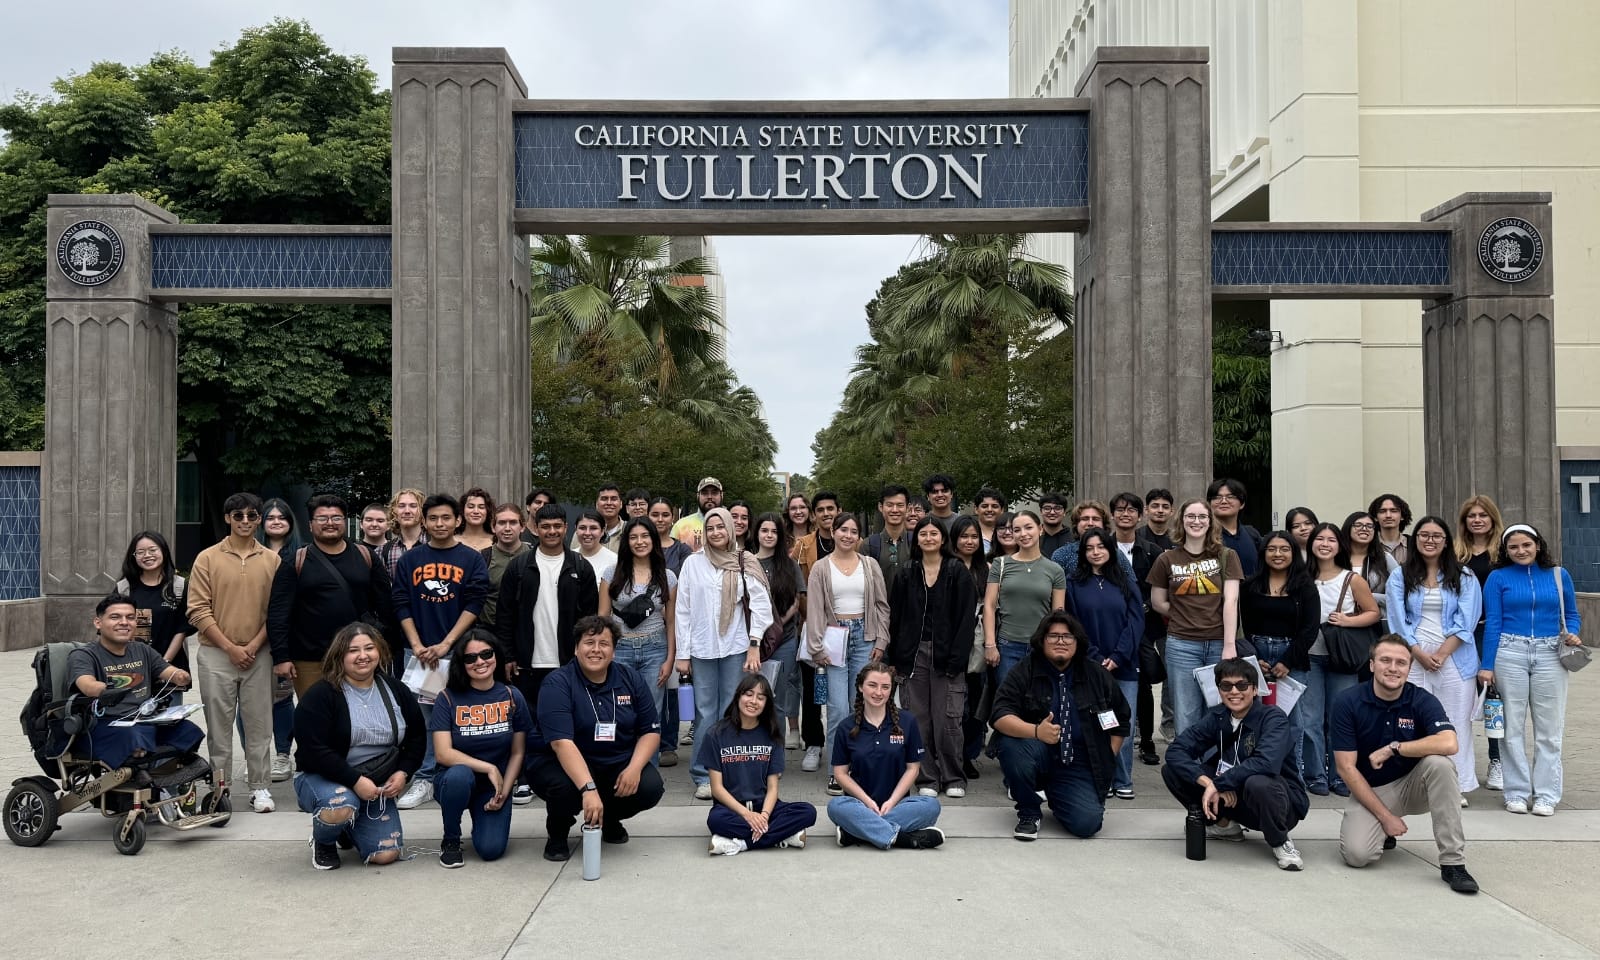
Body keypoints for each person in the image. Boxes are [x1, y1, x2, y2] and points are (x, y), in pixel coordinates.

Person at [1331, 635, 1478, 894]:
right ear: (1372, 665)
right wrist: (1386, 818)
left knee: (1440, 764)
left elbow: (1449, 743)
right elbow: (1345, 768)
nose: (1393, 668)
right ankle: (1382, 829)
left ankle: (1453, 863)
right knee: (1357, 856)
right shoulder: (1347, 702)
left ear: (1409, 669)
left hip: (1414, 786)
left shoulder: (1421, 699)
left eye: (1401, 663)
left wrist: (1395, 748)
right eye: (1385, 660)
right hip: (1373, 789)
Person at [267, 495, 394, 781]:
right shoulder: (295, 560)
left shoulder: (364, 555)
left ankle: (354, 769)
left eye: (336, 518)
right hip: (310, 656)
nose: (330, 523)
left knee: (356, 715)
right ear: (311, 525)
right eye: (322, 518)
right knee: (315, 716)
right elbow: (278, 611)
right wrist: (281, 656)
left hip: (358, 655)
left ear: (346, 523)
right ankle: (311, 771)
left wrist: (384, 642)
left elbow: (385, 603)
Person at [526, 616, 665, 861]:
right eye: (589, 642)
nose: (596, 650)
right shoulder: (558, 683)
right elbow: (561, 743)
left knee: (650, 786)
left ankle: (608, 817)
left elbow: (650, 731)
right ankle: (557, 832)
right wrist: (588, 788)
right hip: (560, 763)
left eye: (604, 643)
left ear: (613, 650)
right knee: (565, 788)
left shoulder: (630, 678)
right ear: (576, 648)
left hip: (614, 760)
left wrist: (634, 769)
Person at [293, 623, 426, 870]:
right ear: (339, 655)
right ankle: (324, 840)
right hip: (325, 777)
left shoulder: (396, 690)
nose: (363, 656)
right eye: (353, 650)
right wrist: (354, 780)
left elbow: (417, 737)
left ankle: (346, 826)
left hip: (375, 783)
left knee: (386, 854)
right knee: (340, 804)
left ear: (380, 652)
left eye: (369, 648)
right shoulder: (321, 695)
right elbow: (313, 751)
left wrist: (403, 772)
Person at [990, 611, 1129, 840]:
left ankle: (1059, 795)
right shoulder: (1026, 669)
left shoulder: (1096, 674)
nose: (1061, 641)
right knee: (1011, 746)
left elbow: (1121, 720)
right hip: (1038, 752)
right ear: (1042, 641)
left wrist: (1107, 756)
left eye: (1067, 636)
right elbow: (999, 714)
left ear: (1077, 641)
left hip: (1079, 761)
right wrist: (1036, 732)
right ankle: (1029, 812)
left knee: (1087, 824)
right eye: (1053, 636)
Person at [392, 493, 491, 809]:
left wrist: (447, 643)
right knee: (422, 718)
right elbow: (401, 603)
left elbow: (475, 603)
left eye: (446, 517)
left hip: (458, 653)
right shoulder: (411, 560)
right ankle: (424, 778)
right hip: (420, 655)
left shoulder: (471, 559)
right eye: (433, 518)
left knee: (461, 717)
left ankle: (460, 775)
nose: (439, 523)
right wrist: (418, 645)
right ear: (425, 521)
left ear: (458, 520)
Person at [1162, 657, 1309, 870]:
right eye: (1226, 686)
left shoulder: (1273, 718)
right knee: (1173, 771)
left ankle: (1280, 841)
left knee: (1258, 782)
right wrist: (1209, 783)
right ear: (1219, 690)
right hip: (1233, 797)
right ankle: (1224, 825)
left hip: (1278, 802)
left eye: (1242, 685)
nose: (1234, 692)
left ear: (1255, 689)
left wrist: (1221, 783)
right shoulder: (1218, 717)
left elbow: (1266, 763)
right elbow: (1176, 751)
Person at [189, 492, 281, 813]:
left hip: (260, 653)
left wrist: (253, 646)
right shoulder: (207, 558)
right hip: (216, 653)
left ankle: (260, 787)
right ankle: (219, 787)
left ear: (259, 520)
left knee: (259, 725)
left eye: (252, 516)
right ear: (228, 518)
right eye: (238, 516)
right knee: (218, 726)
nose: (245, 521)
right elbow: (198, 609)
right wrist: (230, 647)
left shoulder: (272, 560)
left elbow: (278, 611)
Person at [1480, 523, 1580, 817]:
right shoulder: (1498, 578)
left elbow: (1571, 614)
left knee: (1549, 729)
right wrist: (1487, 665)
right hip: (1510, 651)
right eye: (1513, 547)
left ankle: (1547, 794)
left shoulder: (1559, 575)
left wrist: (1572, 632)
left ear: (1538, 545)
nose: (1521, 551)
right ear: (1505, 550)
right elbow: (1493, 623)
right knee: (1512, 727)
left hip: (1551, 652)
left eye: (1526, 545)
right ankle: (1517, 792)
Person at [677, 507, 774, 800]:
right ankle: (702, 774)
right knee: (705, 712)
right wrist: (683, 654)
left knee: (733, 710)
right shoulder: (693, 564)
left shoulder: (745, 561)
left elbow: (761, 606)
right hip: (702, 648)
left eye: (721, 527)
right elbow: (683, 610)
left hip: (736, 647)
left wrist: (754, 643)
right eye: (710, 528)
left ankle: (730, 771)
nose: (716, 532)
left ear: (731, 529)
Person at [1386, 515, 1482, 797]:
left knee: (1455, 721)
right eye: (1424, 535)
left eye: (1436, 536)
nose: (1430, 540)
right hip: (1412, 656)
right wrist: (1418, 653)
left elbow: (1468, 620)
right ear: (1415, 540)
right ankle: (1413, 784)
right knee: (1411, 719)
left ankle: (1457, 786)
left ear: (1446, 541)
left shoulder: (1464, 576)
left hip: (1455, 656)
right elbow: (1397, 619)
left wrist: (1440, 654)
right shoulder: (1400, 575)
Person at [888, 516, 977, 798]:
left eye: (934, 533)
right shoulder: (906, 572)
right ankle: (926, 777)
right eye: (923, 534)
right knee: (918, 718)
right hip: (913, 655)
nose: (928, 538)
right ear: (916, 540)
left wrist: (957, 658)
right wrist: (895, 656)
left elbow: (966, 620)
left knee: (948, 719)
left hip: (947, 656)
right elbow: (896, 617)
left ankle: (953, 777)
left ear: (942, 538)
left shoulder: (957, 571)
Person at [806, 511, 891, 796]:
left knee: (863, 704)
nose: (847, 535)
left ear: (859, 536)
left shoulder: (869, 565)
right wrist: (816, 646)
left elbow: (881, 605)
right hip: (833, 637)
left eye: (854, 531)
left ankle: (860, 767)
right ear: (834, 531)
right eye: (843, 530)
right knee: (838, 708)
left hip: (864, 636)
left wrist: (881, 638)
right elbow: (815, 607)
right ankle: (836, 771)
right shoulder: (820, 567)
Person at [430, 631, 532, 867]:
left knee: (490, 849)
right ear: (461, 664)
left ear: (496, 655)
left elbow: (518, 752)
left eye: (486, 654)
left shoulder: (512, 695)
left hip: (494, 787)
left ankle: (483, 820)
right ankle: (451, 840)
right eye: (470, 658)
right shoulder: (447, 698)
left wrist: (504, 792)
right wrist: (488, 768)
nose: (480, 662)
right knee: (460, 775)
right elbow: (443, 753)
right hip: (454, 780)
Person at [68, 594, 202, 769]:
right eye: (115, 617)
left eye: (130, 617)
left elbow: (168, 671)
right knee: (133, 738)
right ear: (98, 623)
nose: (124, 622)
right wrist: (108, 689)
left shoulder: (141, 649)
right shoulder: (84, 655)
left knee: (188, 731)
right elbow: (87, 685)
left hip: (142, 719)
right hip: (105, 723)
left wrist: (179, 676)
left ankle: (163, 778)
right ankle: (138, 779)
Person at [1147, 498, 1242, 736]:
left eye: (1202, 517)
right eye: (1191, 516)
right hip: (1181, 644)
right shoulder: (1166, 559)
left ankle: (1216, 767)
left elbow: (1231, 601)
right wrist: (1182, 613)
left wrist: (1229, 646)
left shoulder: (1227, 556)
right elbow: (1158, 602)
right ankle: (1188, 769)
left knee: (1218, 709)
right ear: (1181, 521)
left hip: (1219, 643)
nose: (1196, 521)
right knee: (1186, 712)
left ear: (1210, 523)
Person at [495, 503, 601, 713]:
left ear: (565, 527)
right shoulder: (519, 566)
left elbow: (590, 619)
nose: (552, 531)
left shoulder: (581, 567)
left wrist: (585, 654)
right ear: (535, 528)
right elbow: (505, 614)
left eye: (557, 526)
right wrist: (507, 656)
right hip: (526, 665)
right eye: (545, 526)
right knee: (528, 724)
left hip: (568, 662)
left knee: (567, 719)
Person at [827, 662, 946, 849]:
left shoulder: (907, 721)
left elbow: (913, 768)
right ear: (860, 687)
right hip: (860, 806)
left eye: (885, 687)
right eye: (872, 685)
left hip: (898, 805)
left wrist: (891, 802)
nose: (879, 693)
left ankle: (857, 833)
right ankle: (906, 839)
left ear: (891, 690)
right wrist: (868, 802)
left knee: (931, 805)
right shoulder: (846, 727)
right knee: (836, 807)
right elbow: (840, 774)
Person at [1063, 527, 1144, 799]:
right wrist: (1095, 656)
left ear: (1110, 550)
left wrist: (1118, 656)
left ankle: (1123, 778)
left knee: (1124, 722)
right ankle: (1103, 777)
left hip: (1124, 664)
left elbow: (1135, 622)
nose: (1096, 552)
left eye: (1101, 547)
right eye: (1089, 548)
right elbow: (1073, 624)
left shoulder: (1124, 581)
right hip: (1088, 663)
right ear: (1083, 553)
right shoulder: (1073, 583)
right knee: (1095, 722)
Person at [1238, 531, 1321, 789]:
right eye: (1271, 549)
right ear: (1263, 553)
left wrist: (1287, 661)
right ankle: (1253, 775)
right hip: (1257, 657)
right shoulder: (1250, 586)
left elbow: (1310, 629)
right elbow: (1246, 626)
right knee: (1252, 719)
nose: (1277, 554)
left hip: (1292, 659)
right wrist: (1256, 660)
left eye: (1284, 549)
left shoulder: (1305, 587)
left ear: (1293, 553)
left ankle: (1291, 780)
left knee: (1292, 723)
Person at [1305, 521, 1382, 796]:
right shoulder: (1301, 576)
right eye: (1319, 539)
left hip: (1342, 656)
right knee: (1310, 718)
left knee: (1339, 718)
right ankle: (1314, 774)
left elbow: (1373, 612)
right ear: (1311, 543)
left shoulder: (1351, 579)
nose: (1325, 544)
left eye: (1331, 540)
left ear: (1340, 546)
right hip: (1309, 656)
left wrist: (1347, 622)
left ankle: (1341, 775)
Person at [700, 673, 816, 855]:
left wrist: (763, 816)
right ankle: (782, 836)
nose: (753, 701)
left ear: (766, 704)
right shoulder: (716, 734)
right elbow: (717, 789)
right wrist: (747, 815)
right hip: (732, 808)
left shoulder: (772, 736)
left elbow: (772, 787)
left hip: (765, 807)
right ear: (738, 696)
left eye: (761, 698)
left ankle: (740, 844)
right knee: (716, 821)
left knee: (808, 812)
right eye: (748, 694)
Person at [608, 516, 677, 762]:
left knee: (652, 712)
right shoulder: (611, 573)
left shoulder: (667, 577)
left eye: (645, 536)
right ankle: (620, 766)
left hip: (655, 648)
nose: (640, 542)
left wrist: (670, 659)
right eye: (634, 537)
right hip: (620, 649)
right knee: (620, 710)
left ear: (653, 539)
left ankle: (648, 771)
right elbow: (602, 618)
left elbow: (671, 621)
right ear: (627, 542)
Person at [984, 510, 1066, 691]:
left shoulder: (1055, 570)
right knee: (1008, 702)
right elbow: (989, 606)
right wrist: (990, 645)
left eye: (1028, 528)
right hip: (1007, 646)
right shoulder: (1000, 564)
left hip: (1041, 647)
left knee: (1041, 701)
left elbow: (1058, 614)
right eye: (1017, 530)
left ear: (1040, 529)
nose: (1023, 534)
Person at [1457, 495, 1506, 789]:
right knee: (1464, 701)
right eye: (1471, 516)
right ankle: (1462, 764)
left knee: (1493, 700)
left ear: (1492, 519)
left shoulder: (1503, 553)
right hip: (1465, 635)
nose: (1477, 520)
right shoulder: (1456, 554)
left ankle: (1496, 760)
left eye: (1482, 515)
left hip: (1495, 632)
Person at [115, 531, 189, 703]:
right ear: (133, 557)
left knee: (169, 722)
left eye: (152, 550)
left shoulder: (178, 586)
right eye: (140, 552)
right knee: (132, 721)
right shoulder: (124, 587)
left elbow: (181, 629)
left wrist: (163, 664)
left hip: (170, 667)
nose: (147, 555)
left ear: (163, 551)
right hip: (132, 669)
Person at [754, 512, 806, 749]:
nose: (769, 535)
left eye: (774, 531)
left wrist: (780, 622)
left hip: (783, 640)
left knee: (778, 699)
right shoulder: (746, 563)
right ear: (757, 533)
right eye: (764, 530)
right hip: (753, 644)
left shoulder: (790, 566)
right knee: (755, 697)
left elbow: (796, 604)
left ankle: (775, 755)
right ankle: (756, 751)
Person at [949, 516, 991, 781]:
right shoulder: (946, 567)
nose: (969, 541)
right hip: (953, 640)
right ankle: (953, 755)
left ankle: (968, 754)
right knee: (955, 705)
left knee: (976, 705)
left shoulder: (986, 569)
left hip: (980, 641)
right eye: (964, 536)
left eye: (974, 536)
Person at [478, 503, 529, 630]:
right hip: (490, 630)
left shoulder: (535, 556)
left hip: (525, 630)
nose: (507, 528)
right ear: (493, 527)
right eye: (501, 523)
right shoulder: (482, 558)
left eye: (513, 522)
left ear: (523, 526)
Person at [1343, 510, 1393, 626]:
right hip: (1341, 622)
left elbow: (1401, 595)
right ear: (1348, 528)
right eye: (1358, 525)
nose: (1364, 529)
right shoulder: (1336, 558)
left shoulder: (1385, 558)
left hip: (1377, 624)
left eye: (1369, 526)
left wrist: (1369, 597)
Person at [1206, 479, 1263, 577]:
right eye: (1217, 497)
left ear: (1242, 504)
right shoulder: (1204, 534)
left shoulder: (1252, 534)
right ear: (1209, 503)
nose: (1223, 501)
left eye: (1230, 497)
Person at [865, 484, 915, 587]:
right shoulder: (868, 545)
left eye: (900, 505)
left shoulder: (917, 542)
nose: (895, 510)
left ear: (908, 508)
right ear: (880, 507)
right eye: (889, 505)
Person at [377, 488, 426, 582]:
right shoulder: (382, 552)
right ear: (394, 512)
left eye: (413, 506)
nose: (407, 511)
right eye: (401, 506)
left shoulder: (438, 546)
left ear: (423, 511)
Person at [792, 490, 839, 574]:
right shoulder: (802, 545)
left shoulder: (855, 542)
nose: (826, 513)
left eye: (830, 508)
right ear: (814, 514)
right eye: (820, 510)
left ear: (839, 511)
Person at [671, 477, 724, 550]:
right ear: (698, 496)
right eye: (705, 493)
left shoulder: (731, 524)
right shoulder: (681, 526)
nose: (709, 497)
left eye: (714, 493)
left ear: (722, 495)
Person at [648, 496, 694, 575]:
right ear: (647, 516)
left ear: (672, 518)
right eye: (655, 515)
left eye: (665, 515)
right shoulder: (640, 546)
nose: (660, 519)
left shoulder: (683, 551)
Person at [573, 508, 618, 586]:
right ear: (576, 530)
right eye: (582, 528)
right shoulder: (567, 558)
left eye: (593, 528)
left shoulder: (614, 561)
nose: (587, 533)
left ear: (602, 531)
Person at [1369, 493, 1413, 566]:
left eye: (1394, 511)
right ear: (1375, 517)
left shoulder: (1414, 544)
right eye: (1382, 511)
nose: (1388, 515)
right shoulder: (1368, 545)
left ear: (1402, 516)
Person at [457, 488, 495, 553]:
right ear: (462, 510)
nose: (476, 511)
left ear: (488, 511)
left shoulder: (496, 541)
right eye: (471, 507)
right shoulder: (452, 541)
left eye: (481, 507)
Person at [591, 483, 626, 551]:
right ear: (596, 504)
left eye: (614, 499)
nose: (609, 503)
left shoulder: (630, 530)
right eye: (604, 499)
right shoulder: (584, 532)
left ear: (621, 504)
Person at [1038, 490, 1072, 559]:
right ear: (1041, 511)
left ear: (1064, 512)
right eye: (1047, 508)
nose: (1052, 512)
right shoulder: (1033, 537)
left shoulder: (1073, 538)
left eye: (1057, 508)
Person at [973, 487, 1007, 553]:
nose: (989, 510)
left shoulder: (1010, 533)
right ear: (976, 509)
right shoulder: (968, 534)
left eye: (994, 506)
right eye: (984, 506)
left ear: (1002, 510)